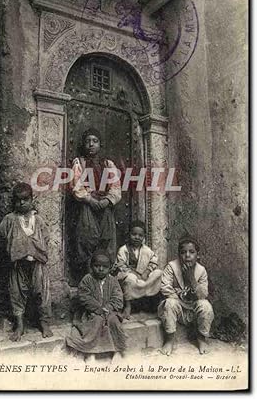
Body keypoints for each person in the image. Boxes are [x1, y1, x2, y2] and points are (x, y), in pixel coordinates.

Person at [0, 182, 53, 342]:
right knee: (16, 293)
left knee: (42, 292)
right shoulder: (10, 219)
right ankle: (20, 325)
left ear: (32, 199)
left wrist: (34, 248)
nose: (22, 203)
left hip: (37, 264)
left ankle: (44, 323)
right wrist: (15, 246)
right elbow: (1, 234)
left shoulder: (38, 220)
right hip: (18, 265)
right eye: (18, 200)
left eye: (25, 199)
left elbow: (46, 237)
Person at [70, 128, 121, 275]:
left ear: (100, 144)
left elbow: (115, 186)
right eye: (88, 141)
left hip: (105, 206)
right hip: (88, 206)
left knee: (106, 239)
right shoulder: (80, 163)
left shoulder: (108, 164)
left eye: (95, 141)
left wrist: (108, 200)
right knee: (87, 238)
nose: (91, 144)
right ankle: (88, 276)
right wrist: (89, 199)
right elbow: (76, 185)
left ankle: (106, 275)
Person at [66, 250, 126, 362]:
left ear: (110, 268)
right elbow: (84, 297)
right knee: (96, 322)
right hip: (90, 312)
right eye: (97, 266)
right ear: (91, 266)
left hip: (109, 312)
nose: (101, 269)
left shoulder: (113, 281)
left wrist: (108, 308)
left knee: (114, 322)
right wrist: (98, 309)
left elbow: (118, 298)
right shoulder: (87, 280)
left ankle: (117, 350)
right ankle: (90, 352)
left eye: (105, 267)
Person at [158, 236, 214, 355]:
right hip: (177, 308)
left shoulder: (201, 270)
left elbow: (203, 294)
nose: (187, 255)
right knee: (169, 303)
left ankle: (201, 338)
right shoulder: (172, 267)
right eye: (183, 252)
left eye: (192, 252)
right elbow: (165, 287)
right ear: (179, 254)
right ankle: (170, 339)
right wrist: (180, 297)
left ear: (197, 255)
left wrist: (192, 279)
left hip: (193, 310)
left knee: (206, 306)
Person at [116, 220, 163, 319]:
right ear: (129, 235)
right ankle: (128, 306)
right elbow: (121, 265)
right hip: (131, 276)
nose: (137, 237)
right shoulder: (123, 250)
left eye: (140, 235)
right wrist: (134, 273)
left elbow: (154, 260)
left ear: (143, 237)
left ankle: (155, 305)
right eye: (134, 234)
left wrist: (147, 271)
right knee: (130, 278)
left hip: (144, 277)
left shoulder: (147, 250)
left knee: (159, 273)